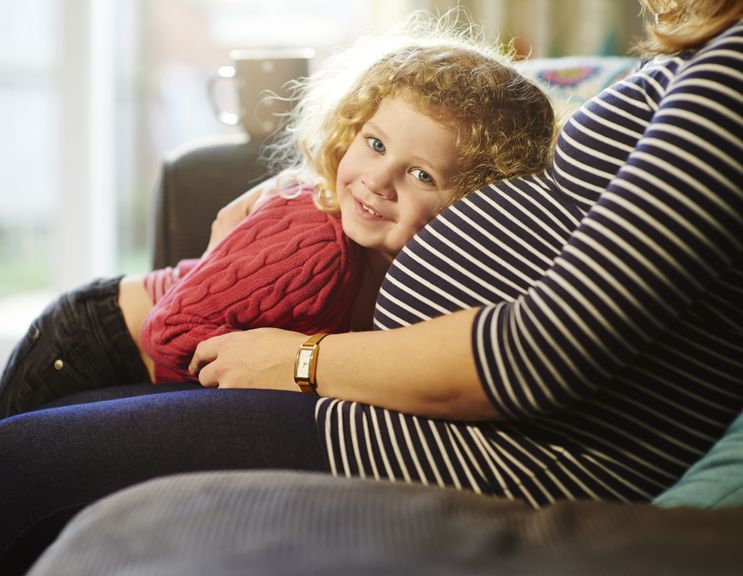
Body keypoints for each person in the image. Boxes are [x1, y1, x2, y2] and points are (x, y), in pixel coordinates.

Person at [1, 0, 741, 571]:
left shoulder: (734, 75)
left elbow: (538, 352)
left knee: (22, 468)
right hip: (407, 401)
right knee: (49, 426)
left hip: (483, 444)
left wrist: (299, 362)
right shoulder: (710, 55)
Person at [0, 12, 555, 414]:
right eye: (376, 145)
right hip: (90, 344)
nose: (377, 180)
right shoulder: (319, 251)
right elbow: (167, 331)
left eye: (421, 174)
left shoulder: (412, 268)